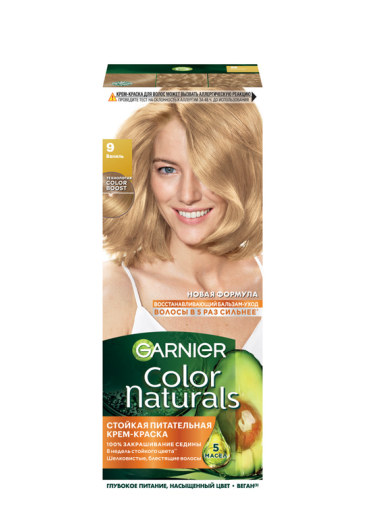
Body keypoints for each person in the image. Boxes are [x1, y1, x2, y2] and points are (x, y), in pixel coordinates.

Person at [103, 93, 263, 360]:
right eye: (168, 170)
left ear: (243, 174)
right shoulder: (113, 291)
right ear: (145, 175)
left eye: (208, 170)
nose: (188, 195)